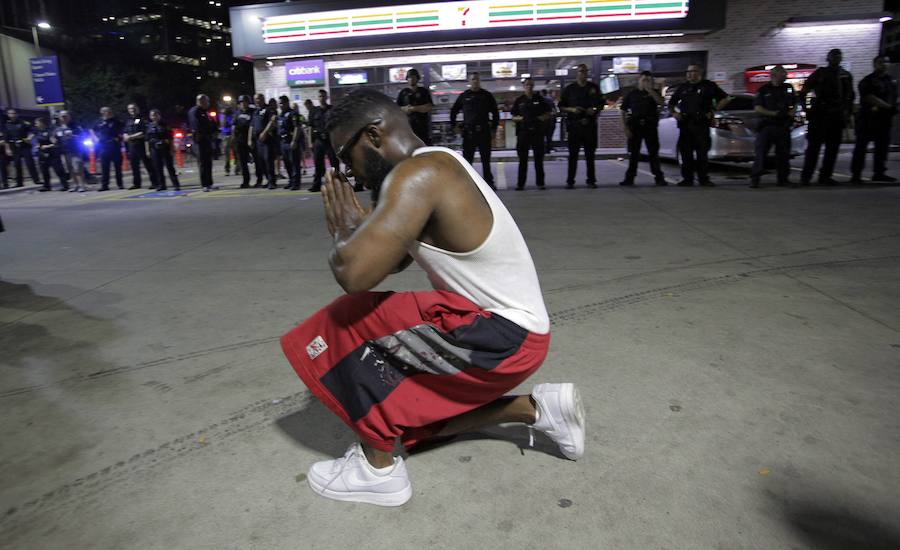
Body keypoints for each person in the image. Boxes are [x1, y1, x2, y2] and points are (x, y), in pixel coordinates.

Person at [280, 88, 582, 507]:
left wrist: (343, 232)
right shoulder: (437, 164)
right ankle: (537, 410)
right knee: (414, 421)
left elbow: (355, 276)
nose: (348, 173)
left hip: (500, 335)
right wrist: (366, 228)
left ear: (372, 136)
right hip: (513, 339)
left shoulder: (421, 174)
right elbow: (393, 262)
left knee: (347, 320)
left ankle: (377, 471)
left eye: (345, 159)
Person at [667, 64, 732, 187]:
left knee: (702, 154)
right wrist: (675, 113)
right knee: (686, 154)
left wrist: (714, 109)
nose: (690, 74)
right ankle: (687, 179)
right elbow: (671, 104)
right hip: (686, 125)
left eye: (693, 71)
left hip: (701, 124)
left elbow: (726, 98)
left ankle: (703, 179)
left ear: (699, 72)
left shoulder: (708, 86)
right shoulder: (683, 87)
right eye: (688, 71)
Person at [799, 49, 855, 186]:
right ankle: (806, 177)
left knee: (832, 149)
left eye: (838, 56)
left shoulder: (845, 75)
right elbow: (804, 91)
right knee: (813, 148)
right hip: (819, 114)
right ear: (828, 58)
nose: (836, 59)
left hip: (836, 115)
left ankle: (825, 176)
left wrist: (847, 113)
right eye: (833, 56)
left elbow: (850, 96)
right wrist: (807, 110)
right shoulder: (820, 73)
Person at [851, 55, 898, 184]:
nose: (884, 64)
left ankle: (879, 172)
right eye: (881, 62)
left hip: (884, 119)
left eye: (886, 62)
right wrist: (888, 106)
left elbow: (894, 97)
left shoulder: (891, 81)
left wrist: (893, 107)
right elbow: (868, 97)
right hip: (868, 118)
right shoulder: (868, 80)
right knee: (861, 147)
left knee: (882, 147)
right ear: (874, 64)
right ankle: (856, 175)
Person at [750, 65, 797, 188]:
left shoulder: (788, 88)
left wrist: (792, 112)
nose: (786, 76)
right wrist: (774, 113)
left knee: (783, 154)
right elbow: (758, 108)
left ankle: (783, 179)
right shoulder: (764, 90)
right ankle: (755, 179)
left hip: (783, 126)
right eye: (783, 74)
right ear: (775, 75)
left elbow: (794, 102)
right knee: (761, 153)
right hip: (768, 125)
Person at [450, 72, 499, 188]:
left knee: (486, 160)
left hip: (484, 132)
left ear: (479, 80)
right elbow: (453, 111)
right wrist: (454, 126)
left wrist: (493, 129)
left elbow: (495, 113)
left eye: (477, 79)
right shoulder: (464, 96)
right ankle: (467, 184)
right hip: (469, 133)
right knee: (468, 161)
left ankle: (489, 183)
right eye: (472, 79)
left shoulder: (487, 95)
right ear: (469, 81)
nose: (475, 81)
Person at [559, 64, 604, 189]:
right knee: (573, 155)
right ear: (577, 73)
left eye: (585, 71)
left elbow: (601, 104)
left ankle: (591, 181)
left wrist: (594, 110)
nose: (583, 73)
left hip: (589, 126)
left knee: (590, 155)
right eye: (580, 71)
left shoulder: (593, 87)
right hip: (575, 126)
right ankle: (570, 181)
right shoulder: (570, 89)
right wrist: (572, 109)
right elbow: (561, 106)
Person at [620, 71, 667, 186]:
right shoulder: (632, 94)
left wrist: (650, 90)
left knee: (653, 153)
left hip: (650, 125)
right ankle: (629, 178)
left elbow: (661, 103)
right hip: (635, 125)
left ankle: (659, 178)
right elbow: (623, 110)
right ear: (639, 79)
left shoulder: (654, 92)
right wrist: (625, 127)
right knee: (634, 153)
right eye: (644, 79)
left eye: (648, 80)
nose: (646, 82)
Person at [511, 77, 551, 190]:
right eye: (527, 85)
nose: (529, 87)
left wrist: (542, 118)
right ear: (524, 86)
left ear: (533, 86)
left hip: (537, 133)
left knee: (539, 160)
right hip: (523, 133)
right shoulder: (519, 100)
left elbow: (548, 113)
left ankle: (540, 183)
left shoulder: (540, 99)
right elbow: (513, 116)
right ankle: (520, 184)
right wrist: (521, 119)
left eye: (531, 85)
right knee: (522, 160)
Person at [309, 90, 341, 192]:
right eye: (320, 96)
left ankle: (336, 184)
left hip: (330, 140)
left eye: (323, 96)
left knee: (334, 164)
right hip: (318, 141)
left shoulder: (332, 110)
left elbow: (337, 126)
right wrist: (310, 142)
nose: (322, 98)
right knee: (318, 164)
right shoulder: (314, 111)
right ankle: (316, 185)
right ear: (318, 98)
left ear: (326, 97)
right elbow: (310, 127)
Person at [3, 108, 44, 189]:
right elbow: (6, 139)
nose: (12, 115)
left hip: (24, 145)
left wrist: (29, 138)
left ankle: (36, 180)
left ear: (16, 114)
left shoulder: (23, 123)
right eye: (10, 113)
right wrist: (7, 149)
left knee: (30, 163)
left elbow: (33, 130)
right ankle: (19, 182)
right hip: (14, 146)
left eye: (14, 113)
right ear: (8, 115)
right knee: (17, 164)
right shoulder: (6, 125)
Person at [122, 104, 158, 190]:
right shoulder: (128, 120)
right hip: (131, 146)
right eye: (130, 109)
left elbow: (143, 132)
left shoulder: (142, 119)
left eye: (134, 108)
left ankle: (155, 183)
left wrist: (130, 137)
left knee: (148, 165)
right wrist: (125, 136)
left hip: (141, 144)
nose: (132, 110)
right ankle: (136, 184)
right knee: (134, 166)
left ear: (137, 109)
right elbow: (125, 131)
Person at [188, 94, 217, 192]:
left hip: (207, 140)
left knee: (208, 162)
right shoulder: (195, 111)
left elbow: (210, 124)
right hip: (199, 141)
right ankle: (204, 184)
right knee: (203, 163)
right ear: (200, 101)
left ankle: (210, 183)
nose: (207, 104)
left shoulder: (205, 112)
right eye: (206, 102)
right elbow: (197, 126)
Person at [396, 68, 434, 145]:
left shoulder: (423, 91)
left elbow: (429, 107)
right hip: (407, 128)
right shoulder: (403, 93)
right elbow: (396, 109)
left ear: (417, 79)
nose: (411, 79)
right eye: (409, 77)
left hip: (422, 128)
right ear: (407, 79)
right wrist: (405, 109)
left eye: (414, 77)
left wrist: (414, 108)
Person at [91, 106, 125, 191]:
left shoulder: (116, 121)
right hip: (104, 147)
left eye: (110, 111)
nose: (109, 113)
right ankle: (105, 185)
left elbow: (123, 129)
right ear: (102, 113)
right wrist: (95, 138)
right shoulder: (99, 122)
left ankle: (120, 184)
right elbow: (92, 130)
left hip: (115, 146)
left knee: (118, 167)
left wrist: (120, 137)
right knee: (105, 167)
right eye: (107, 112)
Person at [54, 111, 88, 192]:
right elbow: (55, 138)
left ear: (69, 117)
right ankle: (76, 185)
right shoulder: (59, 128)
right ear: (59, 118)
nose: (64, 118)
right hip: (65, 151)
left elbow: (83, 136)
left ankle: (82, 185)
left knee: (78, 169)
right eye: (62, 116)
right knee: (70, 169)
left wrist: (74, 136)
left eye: (65, 116)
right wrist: (54, 140)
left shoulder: (75, 126)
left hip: (75, 150)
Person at [147, 109, 181, 191]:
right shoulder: (149, 126)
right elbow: (147, 139)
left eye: (155, 115)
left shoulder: (165, 124)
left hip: (165, 148)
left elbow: (170, 138)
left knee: (170, 167)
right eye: (152, 115)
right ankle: (161, 185)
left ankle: (176, 185)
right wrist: (147, 151)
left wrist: (172, 149)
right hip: (154, 149)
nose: (154, 117)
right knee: (158, 168)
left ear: (159, 115)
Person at [250, 93, 277, 189]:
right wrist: (249, 139)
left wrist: (264, 133)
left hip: (267, 139)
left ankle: (272, 182)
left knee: (268, 160)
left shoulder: (268, 109)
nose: (257, 100)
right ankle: (268, 179)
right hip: (257, 140)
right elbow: (252, 126)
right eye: (256, 99)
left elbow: (272, 121)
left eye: (259, 98)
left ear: (263, 99)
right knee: (261, 162)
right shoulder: (256, 111)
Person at [34, 117, 68, 192]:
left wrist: (47, 146)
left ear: (42, 123)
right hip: (43, 153)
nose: (35, 125)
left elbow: (55, 143)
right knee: (44, 171)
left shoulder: (50, 131)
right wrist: (38, 146)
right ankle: (46, 186)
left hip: (53, 153)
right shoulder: (37, 131)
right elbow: (38, 141)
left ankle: (65, 185)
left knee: (58, 170)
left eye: (37, 123)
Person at [278, 95, 303, 190]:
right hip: (283, 142)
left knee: (294, 163)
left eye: (282, 103)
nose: (281, 105)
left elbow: (297, 127)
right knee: (287, 163)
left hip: (290, 141)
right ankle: (291, 181)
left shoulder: (293, 114)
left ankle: (296, 183)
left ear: (287, 103)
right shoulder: (280, 115)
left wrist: (294, 140)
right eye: (279, 103)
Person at [233, 95, 254, 188]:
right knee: (242, 162)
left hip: (251, 139)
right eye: (241, 102)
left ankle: (260, 179)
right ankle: (246, 181)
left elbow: (252, 126)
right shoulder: (237, 113)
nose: (243, 104)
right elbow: (234, 126)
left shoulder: (252, 112)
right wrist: (233, 138)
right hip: (240, 140)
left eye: (245, 102)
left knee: (258, 160)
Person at [219, 106, 236, 176]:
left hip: (232, 134)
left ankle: (237, 168)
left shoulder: (232, 115)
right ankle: (227, 169)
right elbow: (222, 124)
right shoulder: (222, 116)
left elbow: (233, 124)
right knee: (226, 154)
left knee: (236, 152)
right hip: (225, 135)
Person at [541, 89, 558, 153]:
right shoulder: (551, 100)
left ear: (542, 93)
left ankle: (544, 149)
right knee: (549, 136)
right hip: (551, 121)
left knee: (542, 136)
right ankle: (548, 149)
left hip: (544, 121)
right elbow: (554, 111)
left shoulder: (541, 100)